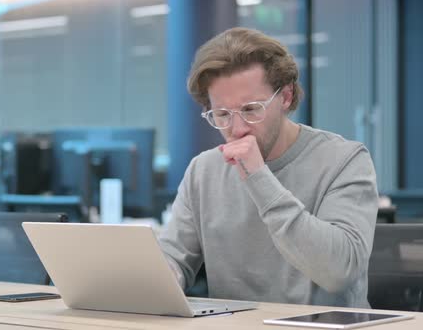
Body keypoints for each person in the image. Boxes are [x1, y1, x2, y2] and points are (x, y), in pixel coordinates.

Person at [159, 27, 378, 308]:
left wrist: (259, 178)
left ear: (285, 97)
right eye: (222, 114)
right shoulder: (204, 170)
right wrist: (164, 276)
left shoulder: (345, 160)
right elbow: (173, 258)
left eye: (251, 109)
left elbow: (339, 273)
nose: (236, 129)